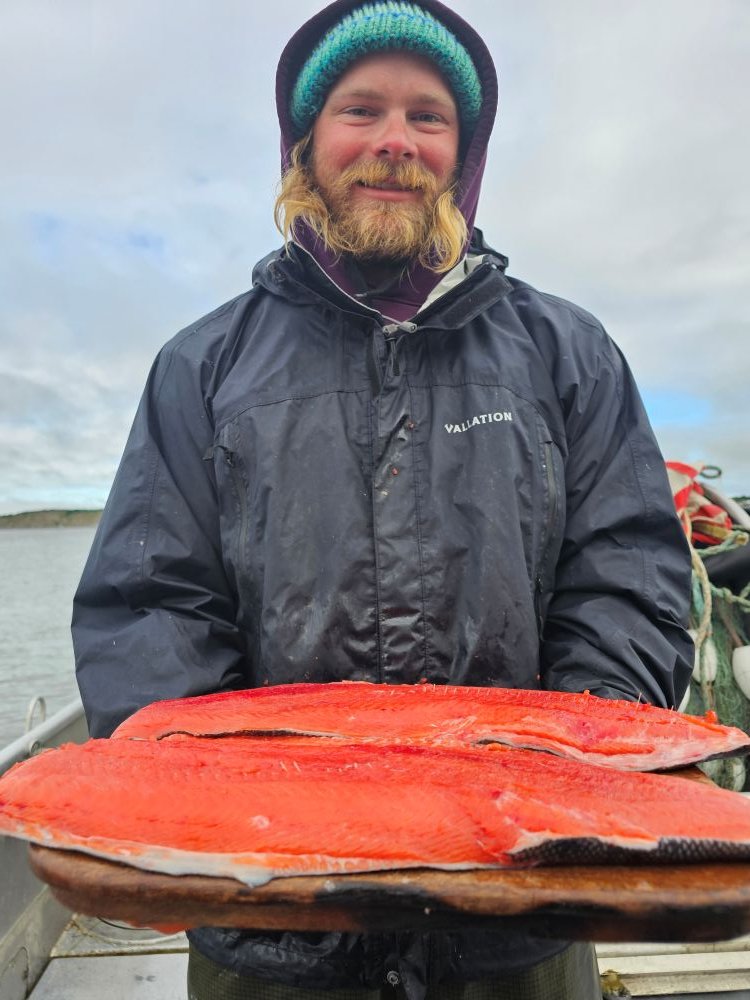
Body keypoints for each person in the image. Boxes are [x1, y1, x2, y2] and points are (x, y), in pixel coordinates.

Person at [72, 1, 694, 998]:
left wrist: (562, 782)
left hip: (518, 915)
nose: (395, 141)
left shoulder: (568, 353)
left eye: (429, 116)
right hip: (267, 914)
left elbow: (628, 573)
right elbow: (149, 602)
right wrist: (240, 811)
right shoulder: (202, 365)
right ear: (307, 140)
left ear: (463, 152)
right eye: (361, 109)